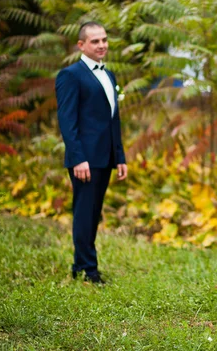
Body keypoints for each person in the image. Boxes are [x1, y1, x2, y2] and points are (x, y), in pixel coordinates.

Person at [55, 21, 128, 284]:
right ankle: (88, 270)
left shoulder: (109, 76)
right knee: (85, 212)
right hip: (84, 159)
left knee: (93, 212)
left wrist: (119, 156)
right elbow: (67, 121)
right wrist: (77, 158)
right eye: (95, 41)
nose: (101, 45)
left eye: (104, 40)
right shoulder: (70, 75)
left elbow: (113, 120)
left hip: (105, 157)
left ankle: (80, 264)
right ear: (81, 45)